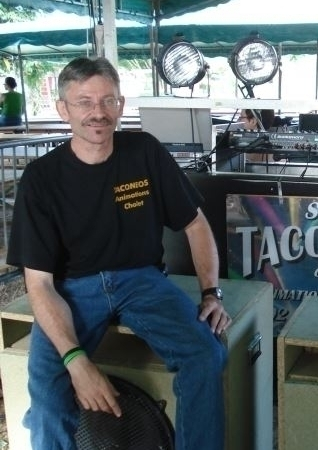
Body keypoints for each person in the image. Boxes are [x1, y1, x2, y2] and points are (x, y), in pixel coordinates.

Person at [6, 57, 231, 450]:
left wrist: (211, 293)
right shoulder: (41, 179)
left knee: (205, 355)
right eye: (84, 102)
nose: (98, 112)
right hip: (71, 290)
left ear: (121, 105)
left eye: (108, 101)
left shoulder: (144, 151)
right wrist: (76, 362)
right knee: (47, 394)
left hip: (142, 280)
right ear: (63, 109)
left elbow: (195, 224)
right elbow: (39, 283)